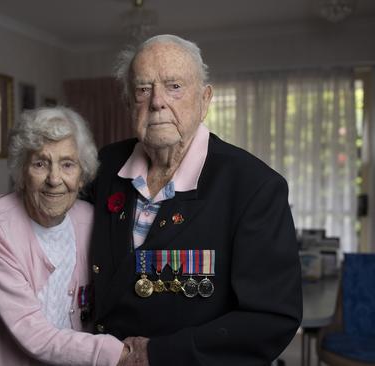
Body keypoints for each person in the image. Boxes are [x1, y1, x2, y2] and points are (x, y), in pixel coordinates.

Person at [86, 34, 302, 365]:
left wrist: (158, 354)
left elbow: (271, 319)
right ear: (130, 103)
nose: (157, 101)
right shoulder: (102, 167)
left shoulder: (254, 187)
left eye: (174, 86)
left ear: (205, 98)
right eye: (143, 89)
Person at [0, 107, 130, 365]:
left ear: (82, 176)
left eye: (67, 164)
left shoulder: (92, 219)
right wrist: (121, 355)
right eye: (40, 164)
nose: (54, 179)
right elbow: (31, 331)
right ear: (22, 173)